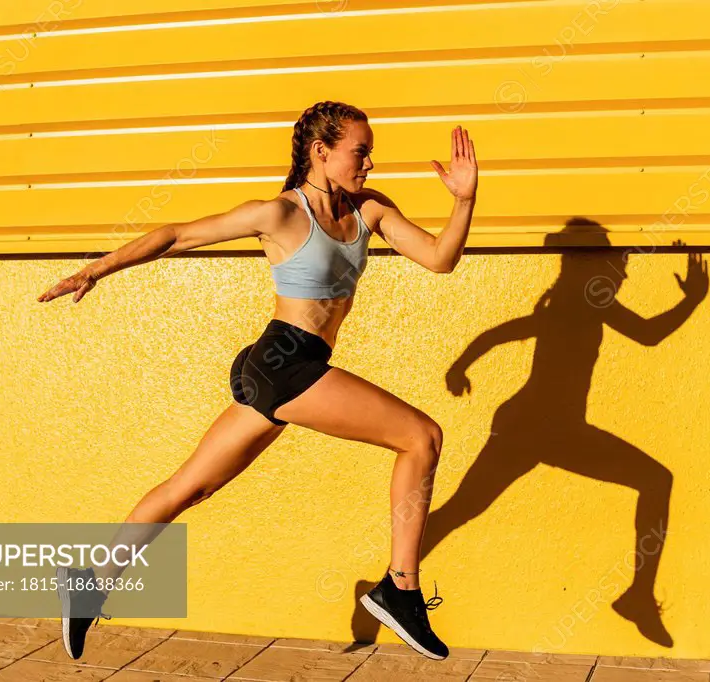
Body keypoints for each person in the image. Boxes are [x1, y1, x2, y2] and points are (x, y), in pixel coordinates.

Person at [37, 101, 478, 661]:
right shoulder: (279, 215)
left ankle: (92, 582)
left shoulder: (370, 211)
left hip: (289, 367)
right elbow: (175, 234)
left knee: (191, 487)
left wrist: (463, 201)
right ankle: (400, 589)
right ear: (321, 151)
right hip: (283, 362)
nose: (368, 163)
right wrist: (95, 269)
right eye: (359, 151)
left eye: (370, 153)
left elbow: (440, 259)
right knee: (422, 437)